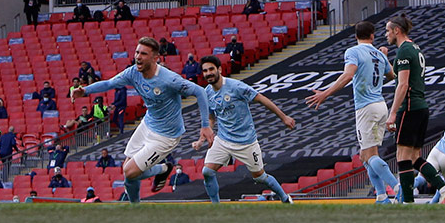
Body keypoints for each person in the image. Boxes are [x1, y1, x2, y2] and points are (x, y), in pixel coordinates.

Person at [72, 37, 213, 203]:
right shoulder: (133, 72)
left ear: (155, 59)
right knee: (128, 174)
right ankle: (137, 207)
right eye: (137, 52)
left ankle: (162, 169)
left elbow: (200, 92)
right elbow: (109, 83)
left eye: (143, 54)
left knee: (129, 171)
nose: (138, 56)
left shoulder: (168, 79)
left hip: (166, 135)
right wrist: (85, 91)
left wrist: (205, 125)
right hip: (148, 124)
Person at [307, 21, 401, 203]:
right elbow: (391, 76)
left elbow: (348, 75)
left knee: (370, 155)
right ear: (372, 36)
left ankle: (397, 187)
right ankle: (382, 196)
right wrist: (384, 57)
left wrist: (325, 94)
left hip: (366, 107)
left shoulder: (353, 52)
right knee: (365, 156)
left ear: (356, 36)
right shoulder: (379, 55)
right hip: (381, 105)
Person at [193, 55, 295, 203]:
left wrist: (284, 117)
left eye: (211, 69)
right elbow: (211, 118)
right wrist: (201, 139)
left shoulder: (236, 87)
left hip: (246, 142)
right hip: (223, 140)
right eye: (205, 71)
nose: (208, 73)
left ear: (219, 69)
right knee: (207, 171)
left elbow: (261, 98)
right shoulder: (207, 93)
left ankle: (285, 198)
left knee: (260, 177)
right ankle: (216, 208)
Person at [384, 14, 445, 204]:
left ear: (396, 31)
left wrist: (392, 114)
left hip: (409, 107)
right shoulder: (415, 48)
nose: (386, 35)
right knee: (415, 156)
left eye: (387, 31)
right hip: (421, 107)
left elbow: (403, 84)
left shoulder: (404, 51)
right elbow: (398, 76)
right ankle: (444, 188)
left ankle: (407, 202)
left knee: (402, 155)